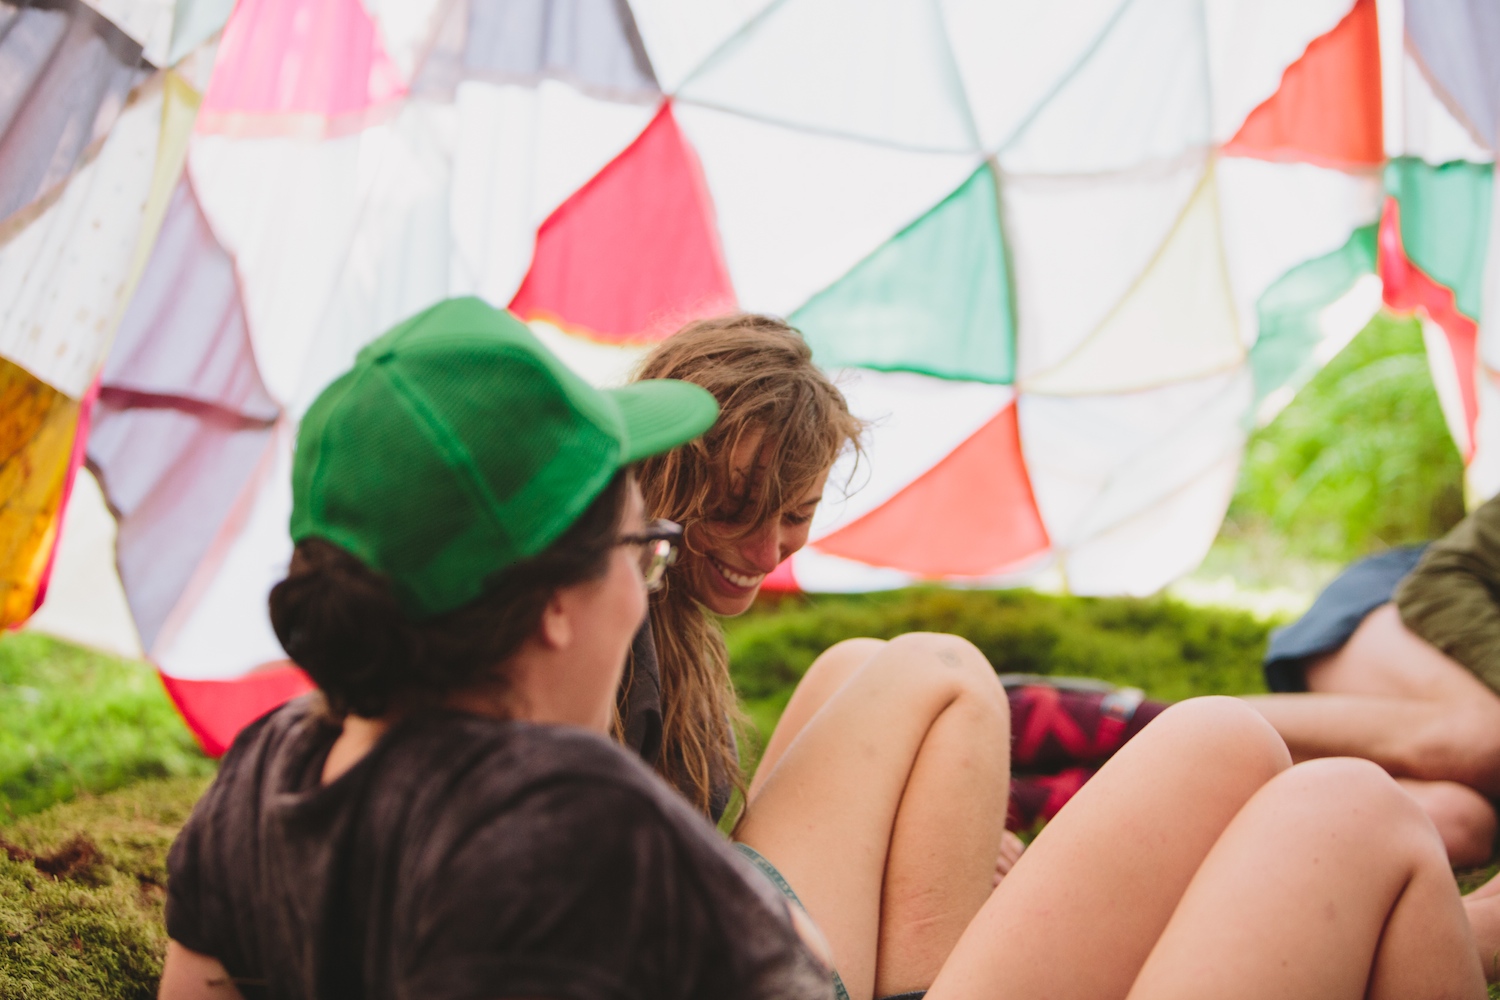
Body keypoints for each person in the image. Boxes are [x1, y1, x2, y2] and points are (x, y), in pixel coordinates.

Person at [159, 298, 1492, 999]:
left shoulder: (260, 789)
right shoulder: (572, 833)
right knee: (1342, 815)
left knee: (1226, 746)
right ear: (557, 607)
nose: (660, 572)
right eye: (642, 542)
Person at [617, 315, 1164, 834]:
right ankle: (1043, 783)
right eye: (734, 510)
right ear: (662, 469)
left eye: (796, 515)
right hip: (691, 919)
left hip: (699, 889)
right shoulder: (614, 630)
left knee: (855, 667)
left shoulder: (671, 632)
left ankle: (1076, 760)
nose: (765, 555)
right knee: (933, 672)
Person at [1250, 495, 1500, 867]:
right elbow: (1439, 581)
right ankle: (1154, 725)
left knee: (1453, 822)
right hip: (1408, 597)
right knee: (1487, 735)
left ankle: (1186, 788)